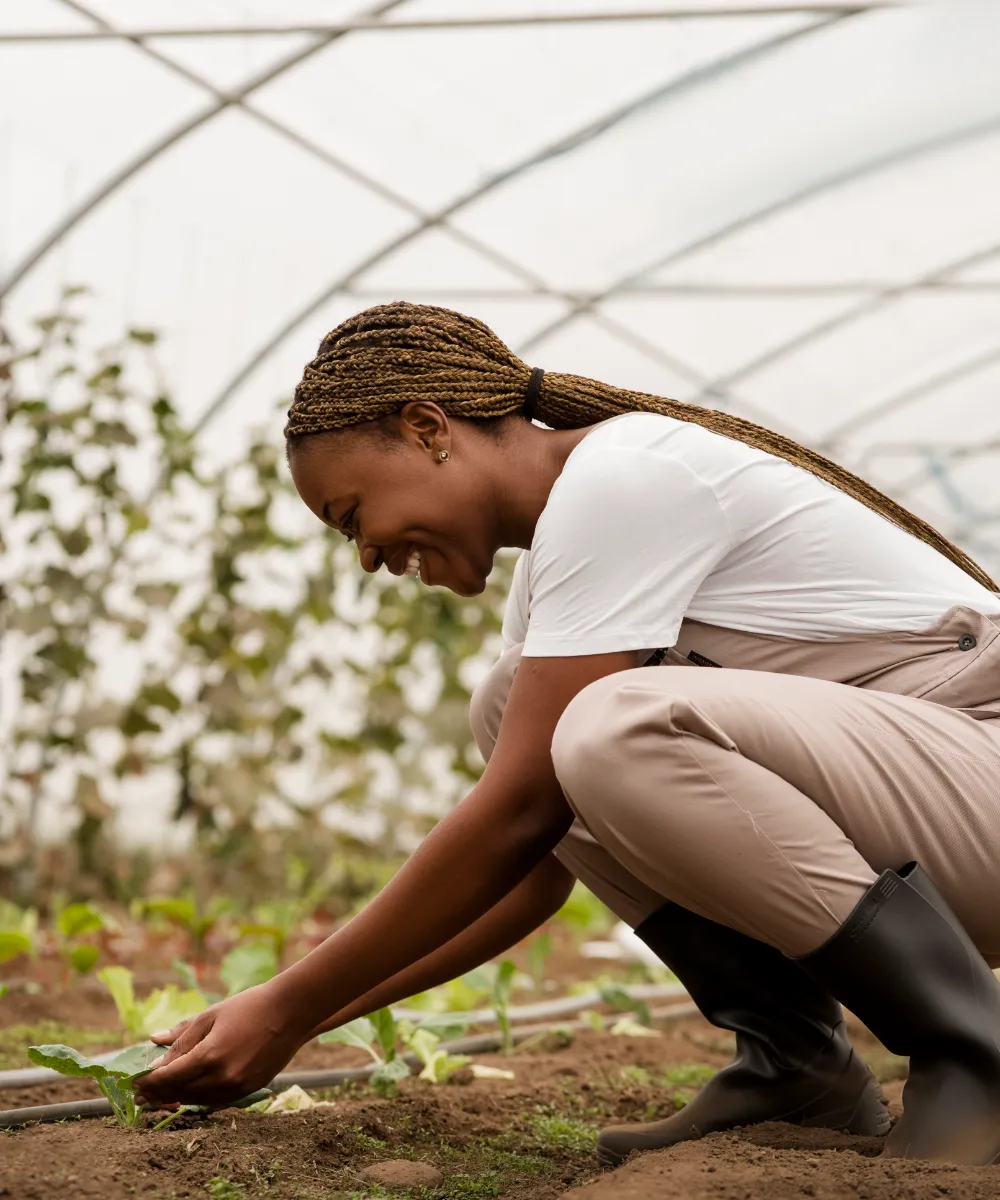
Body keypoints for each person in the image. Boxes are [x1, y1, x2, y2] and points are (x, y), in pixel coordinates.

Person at [138, 302, 1000, 1167]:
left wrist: (285, 1006)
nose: (365, 555)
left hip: (981, 768)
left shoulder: (625, 476)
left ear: (429, 428)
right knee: (515, 707)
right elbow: (532, 873)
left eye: (353, 514)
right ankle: (798, 1063)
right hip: (941, 818)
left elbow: (518, 812)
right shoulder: (564, 570)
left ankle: (975, 1053)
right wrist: (293, 1022)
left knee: (613, 723)